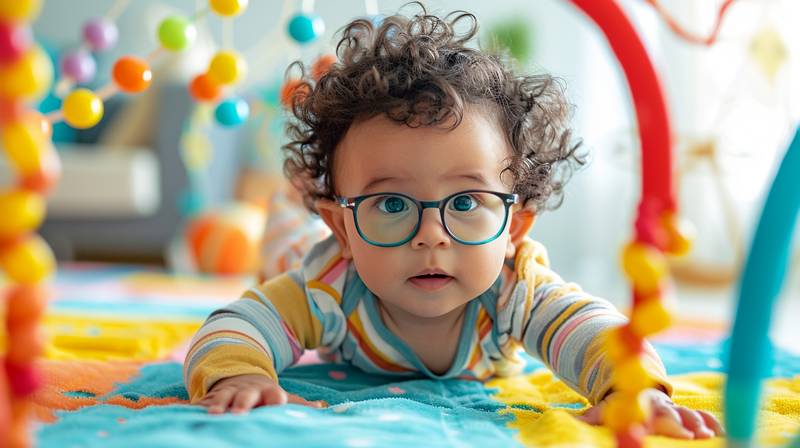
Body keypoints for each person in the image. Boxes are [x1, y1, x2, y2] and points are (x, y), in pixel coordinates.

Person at [184, 7, 724, 439]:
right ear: (344, 229)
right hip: (311, 245)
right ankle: (290, 197)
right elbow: (236, 324)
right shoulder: (326, 287)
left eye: (466, 202)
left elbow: (595, 329)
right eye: (392, 203)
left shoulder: (515, 290)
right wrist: (242, 373)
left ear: (515, 228)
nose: (432, 235)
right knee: (284, 243)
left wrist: (631, 389)